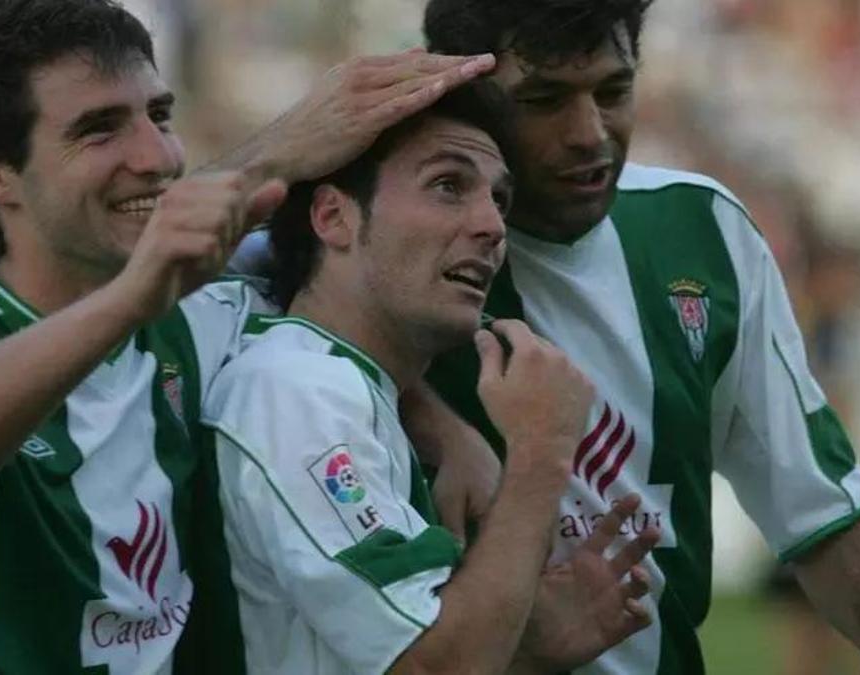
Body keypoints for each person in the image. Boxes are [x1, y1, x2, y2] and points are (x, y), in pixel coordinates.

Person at [219, 1, 860, 673]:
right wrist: (436, 413)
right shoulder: (372, 254)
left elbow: (826, 508)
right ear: (460, 86)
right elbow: (185, 302)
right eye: (543, 99)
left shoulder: (702, 237)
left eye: (614, 91)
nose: (590, 132)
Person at [0, 1, 295, 672]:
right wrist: (128, 300)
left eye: (159, 116)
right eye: (99, 130)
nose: (158, 157)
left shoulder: (199, 319)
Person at [204, 81, 658, 675]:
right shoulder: (298, 390)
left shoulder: (348, 387)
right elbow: (434, 669)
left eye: (499, 199)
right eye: (449, 185)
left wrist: (520, 653)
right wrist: (542, 449)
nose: (493, 226)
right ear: (334, 216)